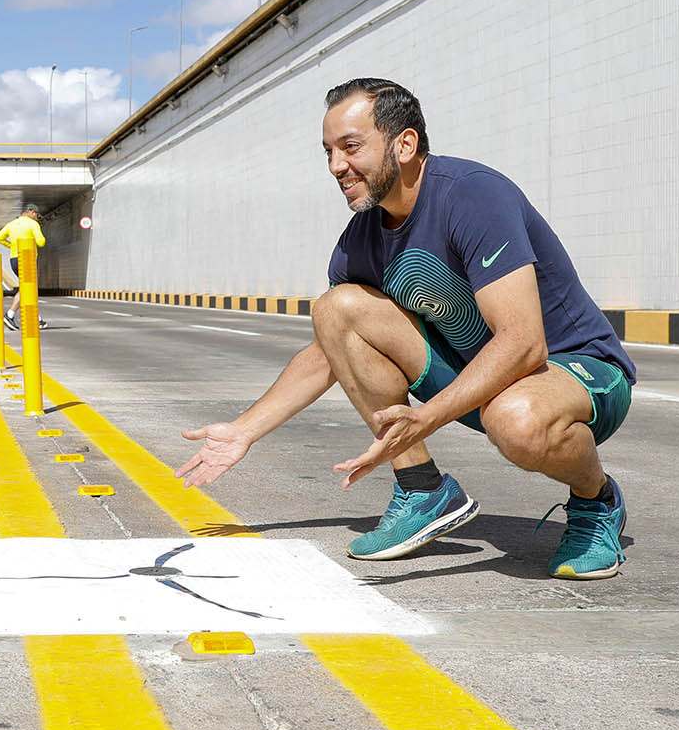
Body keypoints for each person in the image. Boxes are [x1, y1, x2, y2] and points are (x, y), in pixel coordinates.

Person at [176, 78, 634, 580]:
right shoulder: (360, 240)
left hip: (577, 372)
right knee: (336, 308)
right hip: (481, 381)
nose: (336, 167)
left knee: (517, 419)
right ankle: (421, 488)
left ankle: (597, 501)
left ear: (405, 143)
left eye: (351, 147)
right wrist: (244, 430)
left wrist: (428, 416)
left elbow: (524, 343)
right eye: (328, 151)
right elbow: (331, 352)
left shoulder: (472, 195)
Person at [0, 204, 44, 331]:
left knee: (27, 288)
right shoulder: (33, 224)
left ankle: (37, 319)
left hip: (14, 259)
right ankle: (10, 315)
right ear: (31, 212)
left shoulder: (12, 224)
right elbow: (41, 242)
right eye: (37, 215)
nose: (37, 218)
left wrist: (10, 246)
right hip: (27, 259)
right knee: (28, 288)